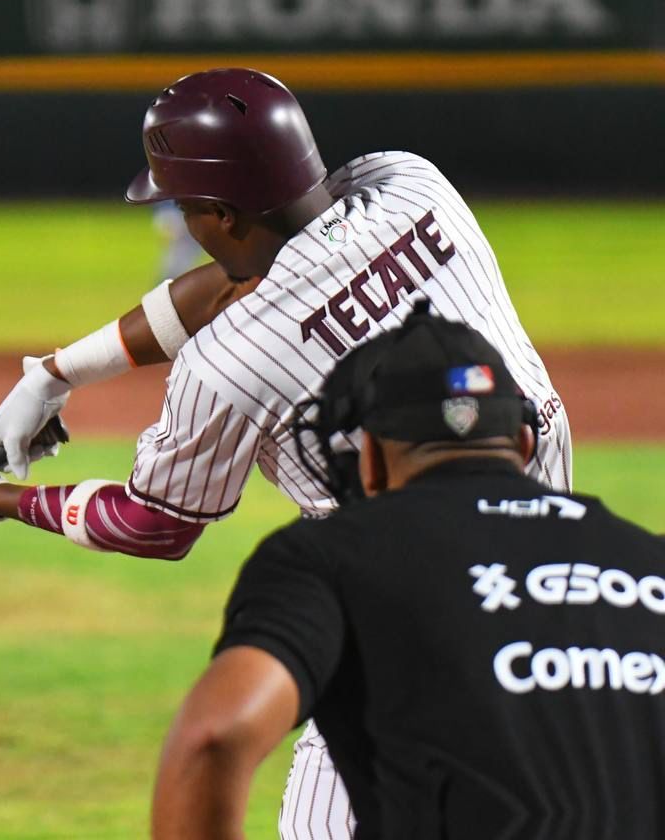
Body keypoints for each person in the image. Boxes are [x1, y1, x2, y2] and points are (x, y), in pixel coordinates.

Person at [0, 68, 572, 839]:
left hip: (406, 622)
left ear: (219, 212)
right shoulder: (415, 186)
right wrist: (54, 375)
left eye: (186, 207)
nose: (184, 223)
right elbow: (247, 280)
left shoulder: (230, 364)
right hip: (550, 574)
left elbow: (153, 524)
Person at [151, 307, 665, 839]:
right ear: (524, 444)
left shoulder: (332, 557)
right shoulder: (652, 560)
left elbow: (213, 739)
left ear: (369, 458)